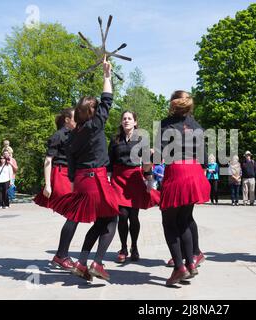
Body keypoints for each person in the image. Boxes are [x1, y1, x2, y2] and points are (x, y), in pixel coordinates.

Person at [52, 56, 120, 282]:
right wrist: (107, 75)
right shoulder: (94, 126)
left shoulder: (71, 137)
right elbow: (107, 99)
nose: (100, 109)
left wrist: (74, 181)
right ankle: (97, 263)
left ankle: (82, 262)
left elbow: (70, 168)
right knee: (111, 220)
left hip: (80, 181)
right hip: (95, 178)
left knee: (100, 221)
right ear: (91, 112)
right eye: (96, 107)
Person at [150, 90, 209, 286]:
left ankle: (178, 268)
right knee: (184, 221)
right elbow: (205, 158)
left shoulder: (167, 124)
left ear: (173, 104)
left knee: (169, 222)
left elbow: (158, 156)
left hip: (177, 171)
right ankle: (190, 264)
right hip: (194, 173)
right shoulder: (197, 125)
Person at [108, 110, 160, 264]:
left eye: (129, 118)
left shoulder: (141, 139)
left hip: (135, 178)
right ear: (121, 122)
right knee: (122, 215)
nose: (126, 121)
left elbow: (146, 161)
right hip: (118, 179)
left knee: (133, 216)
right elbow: (109, 161)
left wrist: (149, 179)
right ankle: (123, 248)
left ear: (135, 122)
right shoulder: (115, 139)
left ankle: (134, 247)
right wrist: (107, 178)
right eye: (124, 118)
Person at [33, 107, 77, 270]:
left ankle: (61, 255)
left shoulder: (74, 135)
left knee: (75, 214)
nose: (78, 120)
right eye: (75, 118)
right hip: (60, 175)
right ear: (67, 119)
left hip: (70, 175)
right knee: (75, 213)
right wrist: (48, 184)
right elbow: (48, 160)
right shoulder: (58, 136)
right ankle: (61, 256)